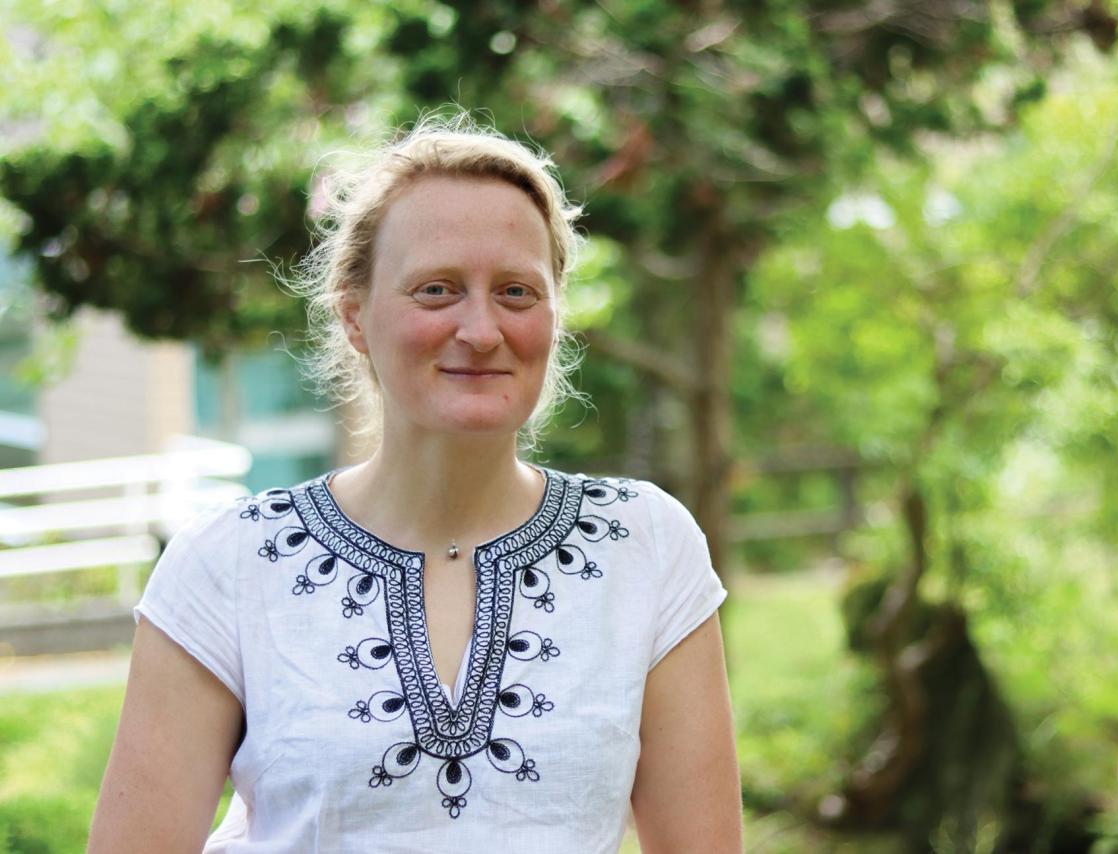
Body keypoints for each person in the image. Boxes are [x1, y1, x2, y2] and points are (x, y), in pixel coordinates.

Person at [88, 113, 743, 853]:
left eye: (517, 292)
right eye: (436, 290)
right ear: (356, 317)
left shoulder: (646, 546)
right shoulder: (228, 563)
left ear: (555, 317)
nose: (481, 329)